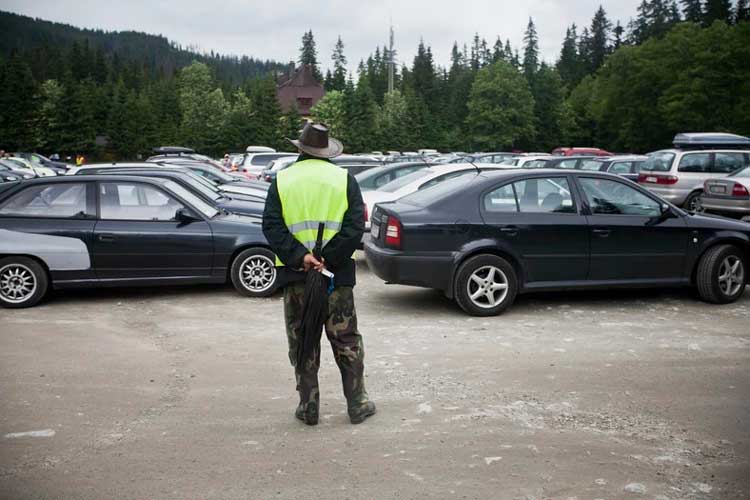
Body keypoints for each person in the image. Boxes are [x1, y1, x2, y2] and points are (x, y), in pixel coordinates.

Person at [262, 122, 376, 426]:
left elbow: (272, 226)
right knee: (346, 339)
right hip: (335, 278)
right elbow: (354, 227)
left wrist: (302, 257)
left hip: (296, 276)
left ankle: (308, 405)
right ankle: (358, 403)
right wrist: (328, 258)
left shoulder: (282, 180)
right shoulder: (344, 179)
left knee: (303, 340)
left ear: (299, 148)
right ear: (326, 151)